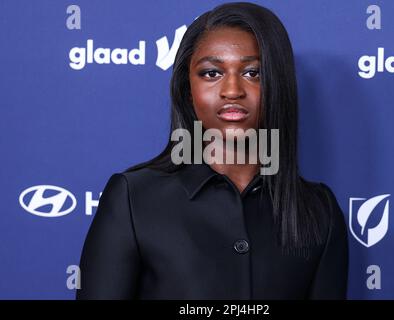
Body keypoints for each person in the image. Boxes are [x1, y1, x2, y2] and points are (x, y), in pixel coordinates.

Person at [76, 2, 348, 300]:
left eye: (253, 72)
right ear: (186, 88)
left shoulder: (319, 211)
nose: (232, 90)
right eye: (211, 73)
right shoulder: (133, 199)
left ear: (278, 84)